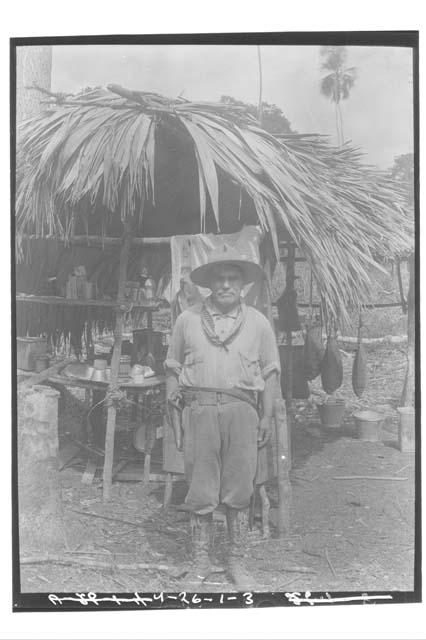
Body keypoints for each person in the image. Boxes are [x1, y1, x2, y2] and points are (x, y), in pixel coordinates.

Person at [164, 244, 280, 590]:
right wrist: (174, 415)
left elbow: (271, 374)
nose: (226, 285)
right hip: (198, 410)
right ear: (209, 284)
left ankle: (236, 561)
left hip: (242, 411)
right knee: (200, 487)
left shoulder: (258, 323)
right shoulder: (187, 320)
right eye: (220, 279)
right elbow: (172, 369)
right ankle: (199, 560)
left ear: (243, 285)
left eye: (233, 279)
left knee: (239, 487)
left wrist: (265, 417)